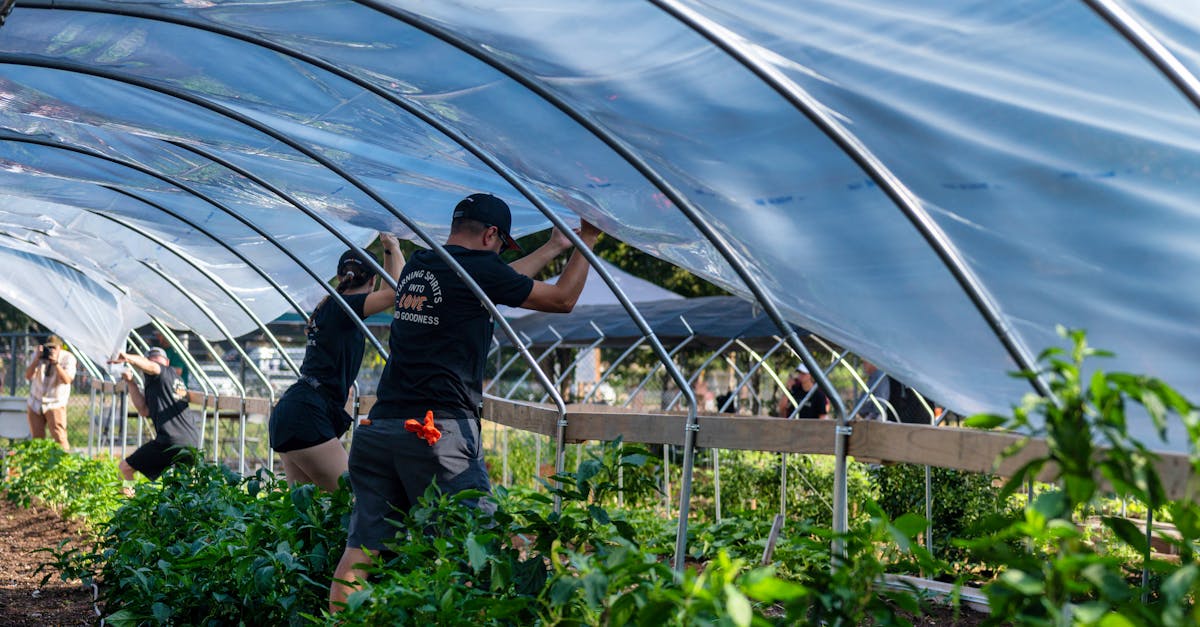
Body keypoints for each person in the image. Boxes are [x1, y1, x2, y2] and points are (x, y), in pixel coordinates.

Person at [330, 193, 600, 610]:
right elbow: (562, 299)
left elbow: (495, 282)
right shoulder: (477, 270)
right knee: (474, 549)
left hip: (380, 428)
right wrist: (589, 242)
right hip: (436, 433)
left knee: (363, 549)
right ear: (492, 234)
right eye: (499, 243)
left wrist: (551, 247)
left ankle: (338, 623)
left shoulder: (422, 263)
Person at [268, 233, 403, 492]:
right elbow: (396, 294)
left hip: (293, 410)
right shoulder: (344, 307)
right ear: (372, 281)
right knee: (354, 502)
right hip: (306, 414)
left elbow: (389, 292)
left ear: (341, 277)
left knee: (309, 514)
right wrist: (392, 247)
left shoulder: (333, 305)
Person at [110, 347, 203, 488]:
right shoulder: (165, 382)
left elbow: (153, 367)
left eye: (157, 358)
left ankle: (131, 507)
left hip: (170, 440)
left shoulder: (163, 373)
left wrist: (127, 357)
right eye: (151, 357)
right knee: (184, 487)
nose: (154, 361)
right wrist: (131, 382)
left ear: (167, 362)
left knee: (125, 469)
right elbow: (144, 410)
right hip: (190, 441)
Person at [24, 335, 77, 449]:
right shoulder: (38, 355)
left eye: (54, 347)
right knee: (37, 440)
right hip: (35, 402)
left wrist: (56, 363)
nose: (50, 350)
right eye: (48, 347)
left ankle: (64, 463)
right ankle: (39, 464)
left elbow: (67, 380)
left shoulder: (68, 358)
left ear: (60, 347)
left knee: (60, 438)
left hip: (55, 403)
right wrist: (36, 359)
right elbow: (28, 376)